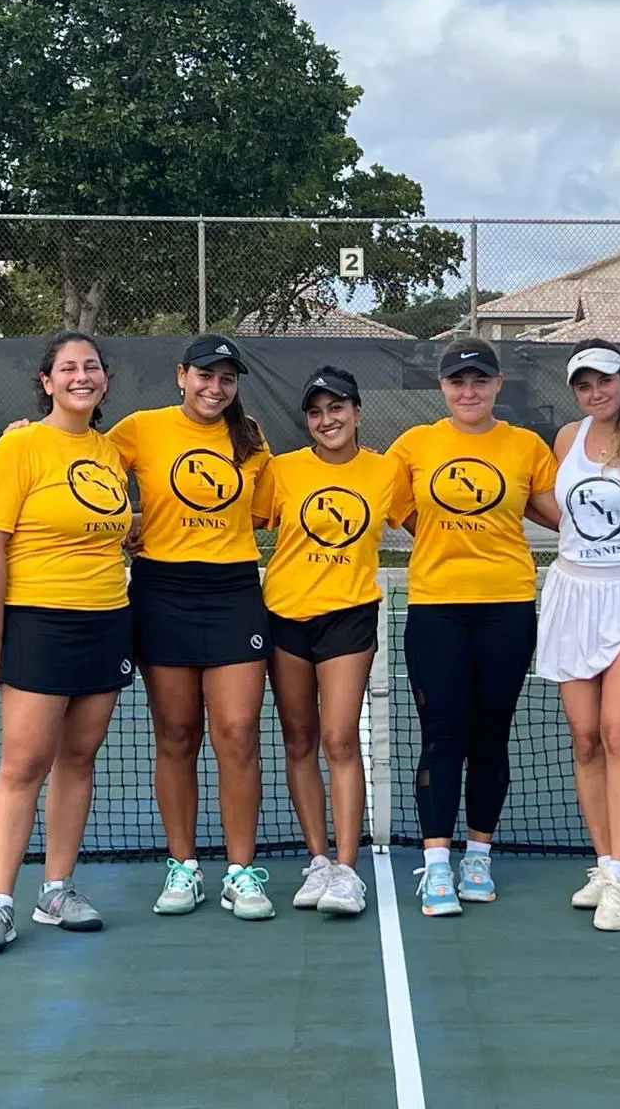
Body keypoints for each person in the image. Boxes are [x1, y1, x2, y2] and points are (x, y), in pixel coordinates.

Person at [0, 330, 135, 955]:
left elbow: (101, 523)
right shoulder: (17, 449)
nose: (81, 376)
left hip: (109, 617)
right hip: (38, 620)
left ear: (104, 379)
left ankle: (56, 890)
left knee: (78, 759)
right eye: (68, 368)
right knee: (24, 764)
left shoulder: (109, 452)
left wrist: (132, 531)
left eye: (91, 367)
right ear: (47, 381)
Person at [106, 334, 276, 921]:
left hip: (232, 594)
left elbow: (257, 514)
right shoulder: (139, 429)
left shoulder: (252, 442)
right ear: (182, 375)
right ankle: (183, 867)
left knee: (237, 732)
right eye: (205, 376)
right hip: (162, 594)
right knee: (177, 734)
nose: (216, 387)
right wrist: (132, 516)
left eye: (227, 378)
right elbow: (78, 464)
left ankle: (239, 871)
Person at [388, 339, 560, 916]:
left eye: (479, 381)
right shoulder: (415, 445)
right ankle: (438, 864)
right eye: (458, 381)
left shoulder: (526, 446)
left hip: (508, 606)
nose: (469, 391)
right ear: (442, 387)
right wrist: (441, 542)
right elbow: (398, 509)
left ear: (497, 384)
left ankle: (478, 857)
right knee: (442, 734)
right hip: (436, 608)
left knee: (491, 734)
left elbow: (558, 511)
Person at [253, 367, 413, 917]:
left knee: (340, 738)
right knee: (299, 739)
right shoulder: (283, 470)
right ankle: (317, 860)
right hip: (285, 615)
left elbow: (426, 519)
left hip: (349, 616)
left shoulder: (386, 471)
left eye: (338, 408)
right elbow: (227, 514)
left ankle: (348, 871)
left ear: (357, 411)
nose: (328, 420)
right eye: (317, 412)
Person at [534, 340, 620, 932]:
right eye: (585, 385)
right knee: (585, 738)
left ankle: (619, 878)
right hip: (572, 595)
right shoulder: (566, 439)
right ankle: (601, 862)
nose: (597, 393)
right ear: (576, 391)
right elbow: (551, 504)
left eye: (606, 381)